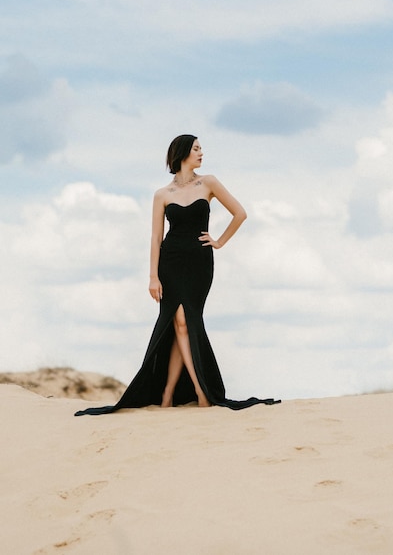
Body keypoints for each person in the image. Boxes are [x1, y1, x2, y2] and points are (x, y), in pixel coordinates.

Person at [75, 135, 279, 415]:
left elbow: (240, 213)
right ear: (182, 153)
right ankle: (174, 392)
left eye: (201, 149)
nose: (201, 153)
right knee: (177, 323)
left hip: (199, 263)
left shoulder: (208, 182)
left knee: (186, 320)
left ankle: (195, 390)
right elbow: (156, 236)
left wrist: (219, 241)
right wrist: (152, 276)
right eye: (196, 148)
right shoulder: (162, 194)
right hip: (169, 264)